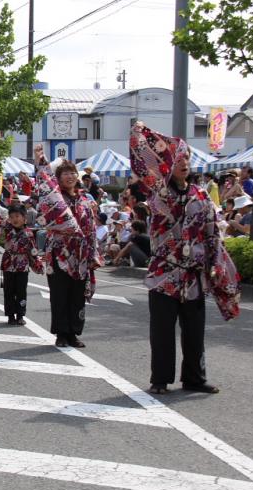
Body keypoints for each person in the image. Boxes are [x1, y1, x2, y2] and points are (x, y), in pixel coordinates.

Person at [129, 122, 240, 395]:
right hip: (164, 274)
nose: (184, 163)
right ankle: (160, 379)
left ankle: (195, 377)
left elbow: (213, 233)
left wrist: (215, 263)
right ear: (168, 164)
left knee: (194, 332)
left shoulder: (201, 196)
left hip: (193, 275)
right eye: (179, 158)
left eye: (187, 158)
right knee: (162, 331)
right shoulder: (159, 193)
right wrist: (141, 132)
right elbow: (142, 160)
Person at [33, 145, 102, 348]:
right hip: (59, 252)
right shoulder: (54, 197)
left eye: (73, 173)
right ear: (58, 177)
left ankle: (74, 332)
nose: (70, 177)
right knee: (60, 294)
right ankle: (61, 333)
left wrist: (93, 252)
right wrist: (41, 159)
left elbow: (90, 227)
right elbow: (45, 183)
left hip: (80, 253)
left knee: (77, 294)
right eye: (65, 173)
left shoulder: (84, 199)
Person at [0, 204, 43, 326]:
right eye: (12, 216)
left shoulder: (29, 234)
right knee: (8, 291)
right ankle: (10, 316)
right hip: (8, 264)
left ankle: (20, 315)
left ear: (25, 218)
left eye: (18, 216)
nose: (15, 219)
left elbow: (33, 251)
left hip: (22, 265)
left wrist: (38, 265)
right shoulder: (7, 228)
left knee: (21, 291)